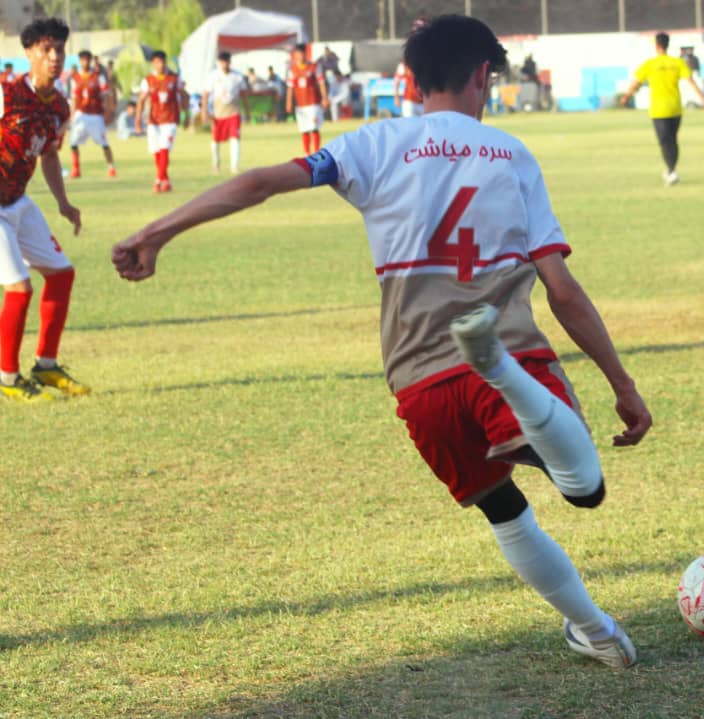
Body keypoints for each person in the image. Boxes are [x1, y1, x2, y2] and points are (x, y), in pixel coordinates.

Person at [112, 14, 652, 670]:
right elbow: (561, 289)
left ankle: (593, 628)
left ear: (411, 79)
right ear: (483, 76)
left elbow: (256, 184)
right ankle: (502, 371)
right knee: (584, 487)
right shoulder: (511, 154)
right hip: (506, 351)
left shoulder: (371, 143)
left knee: (504, 508)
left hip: (419, 381)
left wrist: (158, 231)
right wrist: (622, 385)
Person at [0, 18, 88, 402]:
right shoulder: (6, 94)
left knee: (61, 274)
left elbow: (50, 154)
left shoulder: (60, 106)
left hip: (18, 200)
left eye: (60, 50)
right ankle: (7, 377)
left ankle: (47, 366)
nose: (54, 57)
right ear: (29, 54)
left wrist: (63, 203)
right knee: (20, 288)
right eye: (46, 50)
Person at [621, 32, 704, 187]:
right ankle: (672, 170)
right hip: (675, 108)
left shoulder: (650, 64)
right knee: (672, 140)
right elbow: (691, 82)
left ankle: (671, 170)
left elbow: (636, 82)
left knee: (664, 141)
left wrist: (626, 96)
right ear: (668, 45)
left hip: (658, 110)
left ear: (656, 45)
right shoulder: (677, 63)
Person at [135, 50, 187, 193]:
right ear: (153, 63)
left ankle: (158, 180)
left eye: (163, 61)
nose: (161, 64)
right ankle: (166, 180)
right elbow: (141, 100)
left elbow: (183, 95)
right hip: (154, 121)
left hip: (170, 119)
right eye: (157, 62)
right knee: (156, 151)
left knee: (164, 148)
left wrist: (186, 114)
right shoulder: (148, 80)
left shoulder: (174, 78)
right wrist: (138, 119)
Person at [68, 49, 117, 179]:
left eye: (87, 59)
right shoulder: (75, 78)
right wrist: (72, 114)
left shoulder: (98, 77)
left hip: (95, 114)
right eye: (82, 59)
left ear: (90, 61)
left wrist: (108, 112)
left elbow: (106, 95)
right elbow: (74, 98)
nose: (85, 62)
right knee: (73, 142)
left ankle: (111, 167)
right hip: (81, 113)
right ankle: (76, 169)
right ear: (79, 61)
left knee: (104, 143)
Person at [202, 51, 248, 175]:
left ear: (230, 62)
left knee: (235, 139)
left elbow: (243, 94)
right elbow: (205, 95)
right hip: (218, 114)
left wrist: (247, 111)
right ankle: (216, 164)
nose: (224, 64)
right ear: (219, 62)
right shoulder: (213, 76)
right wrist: (204, 112)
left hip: (233, 113)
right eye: (222, 62)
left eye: (226, 61)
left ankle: (235, 166)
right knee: (215, 141)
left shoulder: (237, 76)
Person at [285, 44, 329, 153]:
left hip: (313, 103)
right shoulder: (293, 69)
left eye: (301, 53)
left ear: (305, 54)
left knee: (314, 128)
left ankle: (316, 152)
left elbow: (321, 83)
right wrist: (289, 102)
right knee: (304, 129)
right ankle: (307, 153)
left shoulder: (314, 67)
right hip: (300, 105)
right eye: (297, 53)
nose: (299, 56)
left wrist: (324, 98)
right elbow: (290, 88)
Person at [395, 17, 428, 118]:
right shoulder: (404, 64)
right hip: (410, 101)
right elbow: (397, 80)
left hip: (425, 102)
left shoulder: (428, 63)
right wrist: (396, 97)